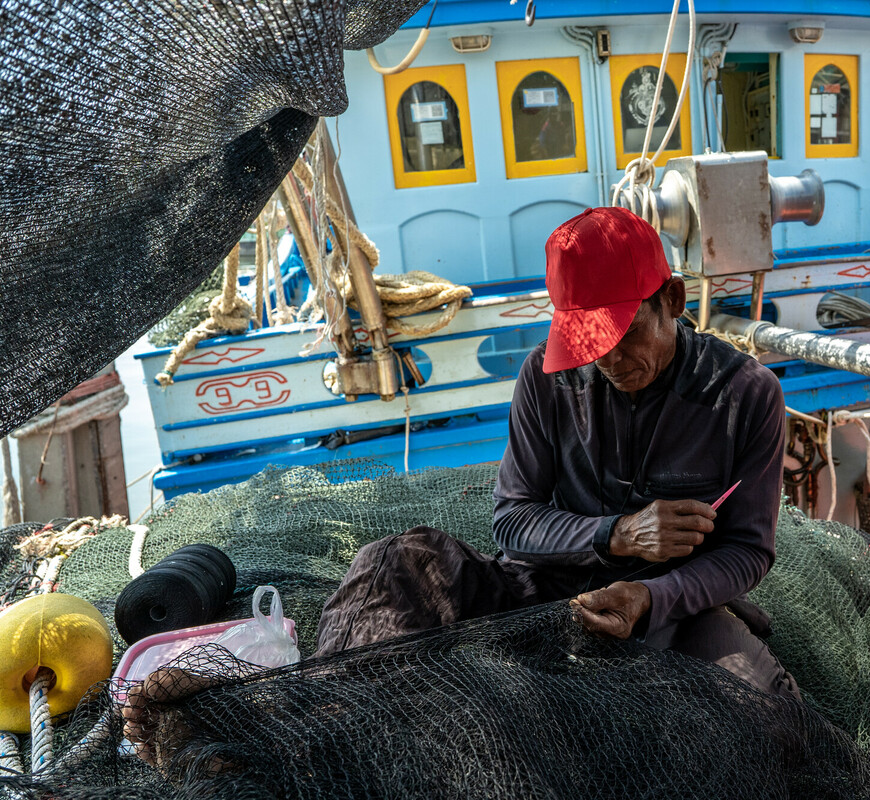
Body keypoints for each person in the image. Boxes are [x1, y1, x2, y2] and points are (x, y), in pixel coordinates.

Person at [123, 207, 796, 762]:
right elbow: (514, 521)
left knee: (764, 719)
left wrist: (650, 593)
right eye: (590, 341)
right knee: (397, 562)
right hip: (544, 588)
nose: (610, 360)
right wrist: (613, 533)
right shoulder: (547, 376)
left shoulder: (746, 397)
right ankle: (299, 715)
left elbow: (746, 553)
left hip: (673, 611)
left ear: (672, 300)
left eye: (625, 335)